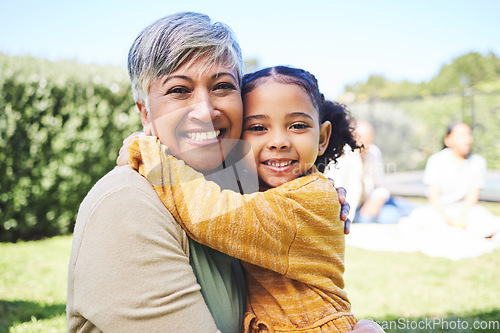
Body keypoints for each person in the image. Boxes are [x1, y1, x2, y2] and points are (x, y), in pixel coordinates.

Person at [66, 12, 384, 333]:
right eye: (179, 90)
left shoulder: (235, 190)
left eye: (222, 87)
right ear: (145, 113)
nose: (206, 111)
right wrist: (146, 150)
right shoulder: (126, 205)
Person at [125, 65, 361, 332]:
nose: (279, 141)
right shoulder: (249, 188)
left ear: (322, 138)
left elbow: (209, 215)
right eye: (259, 127)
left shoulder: (312, 199)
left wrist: (148, 152)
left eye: (297, 125)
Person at [416, 121, 500, 237]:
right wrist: (448, 218)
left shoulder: (478, 162)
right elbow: (434, 197)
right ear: (448, 140)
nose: (467, 140)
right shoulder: (435, 161)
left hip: (466, 210)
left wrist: (462, 216)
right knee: (425, 225)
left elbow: (472, 196)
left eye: (469, 135)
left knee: (489, 226)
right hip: (440, 210)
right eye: (461, 136)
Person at [324, 120, 413, 224]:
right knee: (389, 216)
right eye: (364, 141)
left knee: (405, 206)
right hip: (354, 209)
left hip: (368, 201)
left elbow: (380, 186)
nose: (367, 146)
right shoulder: (343, 158)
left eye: (370, 141)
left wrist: (377, 200)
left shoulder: (373, 152)